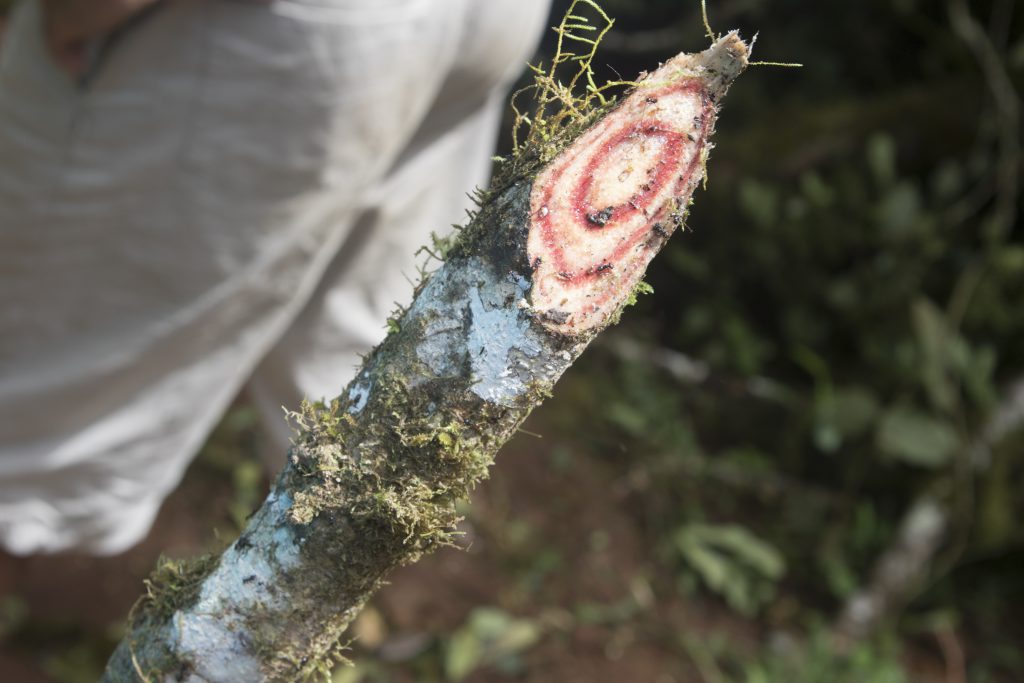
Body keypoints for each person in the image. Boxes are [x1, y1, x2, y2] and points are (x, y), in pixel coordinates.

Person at [0, 0, 552, 555]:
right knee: (351, 388)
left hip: (278, 31)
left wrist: (72, 14)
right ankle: (276, 615)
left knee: (33, 419)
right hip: (485, 17)